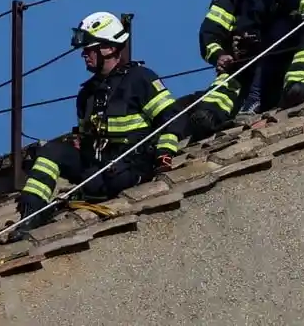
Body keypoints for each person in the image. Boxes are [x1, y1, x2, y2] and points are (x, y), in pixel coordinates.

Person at [11, 12, 186, 239]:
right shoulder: (87, 93)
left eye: (90, 48)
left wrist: (164, 156)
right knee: (50, 151)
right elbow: (85, 139)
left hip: (129, 167)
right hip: (96, 168)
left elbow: (172, 120)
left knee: (107, 178)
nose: (84, 54)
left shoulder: (140, 79)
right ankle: (30, 216)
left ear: (109, 48)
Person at [190, 0, 299, 138]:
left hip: (280, 62)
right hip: (240, 68)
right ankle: (209, 119)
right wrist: (220, 55)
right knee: (220, 92)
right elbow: (210, 31)